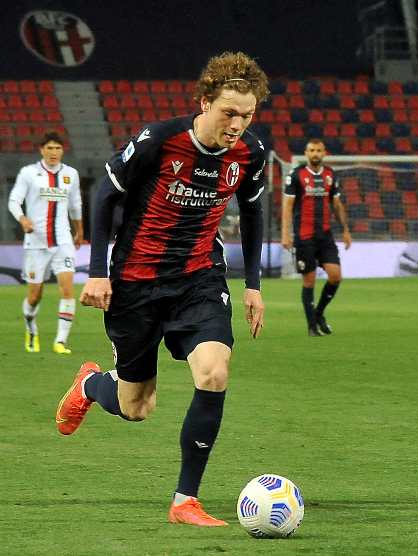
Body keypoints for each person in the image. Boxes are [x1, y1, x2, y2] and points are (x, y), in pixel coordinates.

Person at [54, 51, 269, 526]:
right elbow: (106, 193)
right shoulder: (159, 140)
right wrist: (98, 270)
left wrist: (253, 284)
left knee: (214, 371)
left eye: (247, 114)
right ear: (204, 101)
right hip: (137, 281)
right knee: (137, 407)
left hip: (199, 278)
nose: (237, 123)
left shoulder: (250, 153)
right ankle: (91, 383)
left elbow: (253, 212)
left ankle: (184, 501)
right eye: (229, 112)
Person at [8, 131, 83, 354]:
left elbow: (75, 205)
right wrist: (22, 219)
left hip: (63, 240)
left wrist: (79, 231)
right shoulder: (29, 173)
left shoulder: (71, 174)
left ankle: (61, 341)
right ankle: (31, 329)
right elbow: (14, 201)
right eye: (49, 148)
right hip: (36, 243)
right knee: (34, 295)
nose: (53, 152)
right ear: (42, 150)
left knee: (68, 290)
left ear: (62, 150)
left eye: (57, 148)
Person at [281, 138, 352, 336]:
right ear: (306, 153)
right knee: (309, 281)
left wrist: (345, 229)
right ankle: (312, 326)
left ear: (324, 153)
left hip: (326, 236)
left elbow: (336, 205)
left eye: (318, 150)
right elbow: (287, 207)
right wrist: (286, 234)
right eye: (312, 150)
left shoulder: (330, 175)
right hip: (304, 237)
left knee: (335, 276)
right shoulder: (296, 175)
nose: (315, 154)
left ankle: (319, 313)